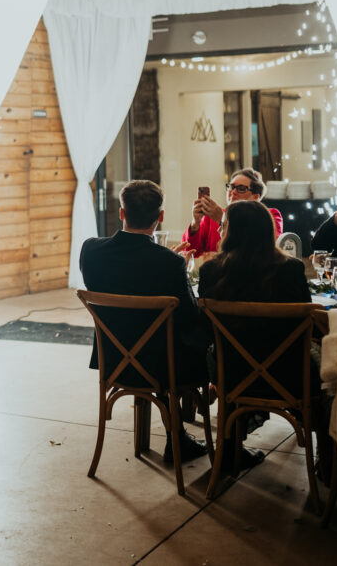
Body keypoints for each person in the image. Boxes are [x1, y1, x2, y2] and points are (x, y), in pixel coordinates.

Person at [80, 180, 209, 462]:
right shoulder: (169, 264)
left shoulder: (90, 251)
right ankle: (184, 436)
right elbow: (189, 318)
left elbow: (127, 275)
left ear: (121, 213)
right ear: (160, 216)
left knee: (158, 340)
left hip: (114, 361)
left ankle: (177, 437)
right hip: (163, 368)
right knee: (194, 342)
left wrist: (168, 263)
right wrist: (179, 271)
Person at [197, 199, 316, 471]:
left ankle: (228, 449)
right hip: (289, 374)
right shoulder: (291, 270)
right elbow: (305, 323)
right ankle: (332, 461)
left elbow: (206, 330)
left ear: (230, 232)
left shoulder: (210, 271)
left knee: (225, 352)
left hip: (231, 373)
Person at [183, 168, 283, 256]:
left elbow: (267, 249)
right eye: (231, 187)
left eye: (241, 189)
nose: (233, 192)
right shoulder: (210, 217)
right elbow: (192, 254)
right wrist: (195, 224)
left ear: (255, 197)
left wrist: (222, 219)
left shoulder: (269, 215)